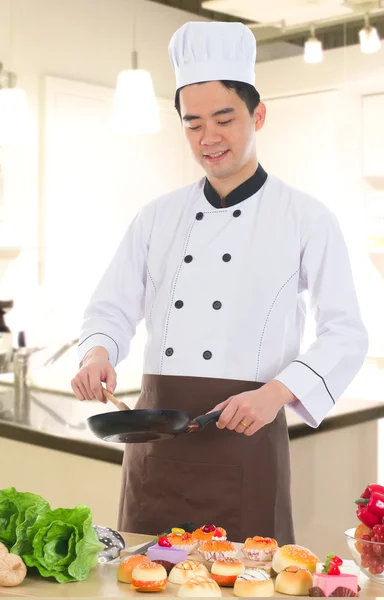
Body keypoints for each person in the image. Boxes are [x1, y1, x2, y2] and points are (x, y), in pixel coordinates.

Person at [71, 21, 368, 544]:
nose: (209, 138)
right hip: (156, 444)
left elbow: (346, 333)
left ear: (258, 115)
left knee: (247, 582)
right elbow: (111, 309)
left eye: (224, 118)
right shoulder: (157, 217)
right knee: (142, 575)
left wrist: (275, 393)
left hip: (245, 436)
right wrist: (98, 354)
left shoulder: (305, 217)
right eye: (193, 124)